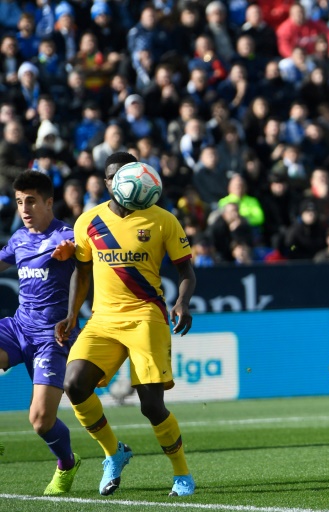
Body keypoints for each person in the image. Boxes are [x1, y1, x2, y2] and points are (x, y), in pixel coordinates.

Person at [54, 152, 197, 497]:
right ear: (107, 182)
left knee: (151, 405)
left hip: (146, 316)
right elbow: (82, 271)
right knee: (73, 384)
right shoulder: (88, 222)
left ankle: (182, 475)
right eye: (113, 175)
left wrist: (182, 301)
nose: (120, 179)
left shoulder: (163, 219)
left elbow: (185, 271)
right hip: (102, 319)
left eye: (128, 173)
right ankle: (113, 453)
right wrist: (73, 313)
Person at [0, 171, 80, 495]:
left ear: (49, 202)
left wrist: (72, 253)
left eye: (31, 200)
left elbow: (87, 264)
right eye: (19, 201)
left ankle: (67, 464)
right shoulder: (19, 237)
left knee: (40, 421)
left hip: (53, 336)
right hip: (19, 326)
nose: (24, 208)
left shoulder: (68, 236)